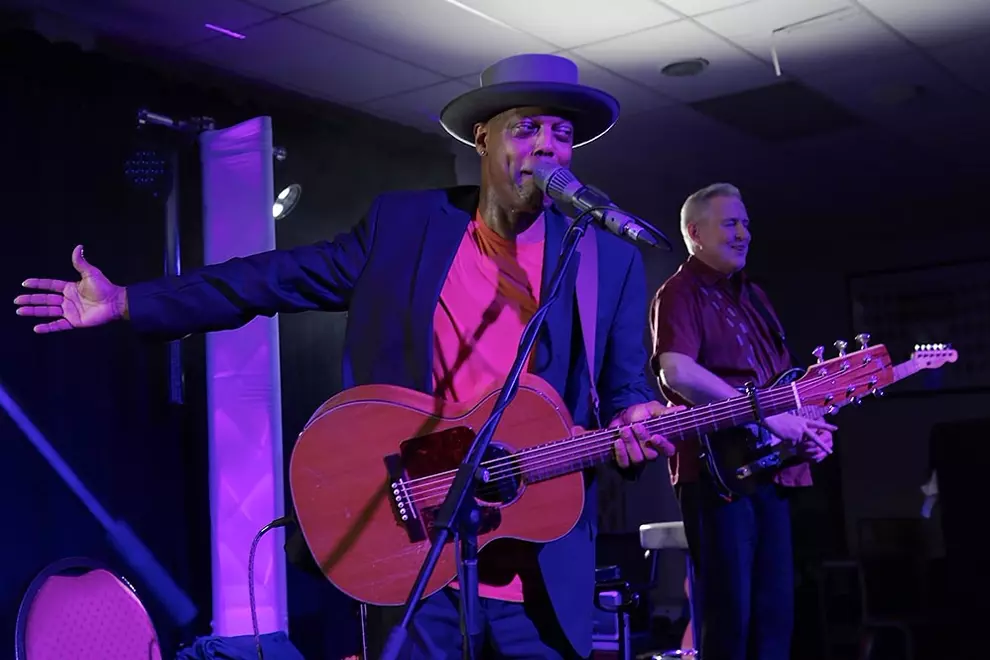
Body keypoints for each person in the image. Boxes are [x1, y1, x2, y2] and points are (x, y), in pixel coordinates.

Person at [15, 53, 676, 659]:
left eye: (560, 133)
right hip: (416, 558)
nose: (547, 147)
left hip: (537, 568)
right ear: (484, 137)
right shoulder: (407, 227)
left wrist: (635, 416)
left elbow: (622, 392)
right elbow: (275, 277)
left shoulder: (606, 260)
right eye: (527, 128)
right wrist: (132, 301)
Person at [649, 182, 837, 660]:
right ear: (694, 232)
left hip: (769, 471)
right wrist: (771, 414)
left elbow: (783, 387)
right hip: (717, 477)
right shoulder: (680, 291)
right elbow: (677, 370)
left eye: (746, 224)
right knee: (729, 622)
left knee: (775, 622)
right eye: (730, 223)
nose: (743, 233)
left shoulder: (754, 296)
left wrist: (804, 429)